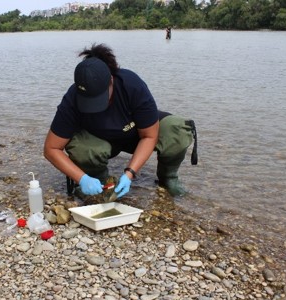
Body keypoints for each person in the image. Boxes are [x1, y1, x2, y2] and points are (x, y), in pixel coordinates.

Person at [43, 43, 196, 198]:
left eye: (99, 98)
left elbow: (149, 136)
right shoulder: (72, 98)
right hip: (99, 140)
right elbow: (51, 148)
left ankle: (168, 178)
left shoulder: (131, 85)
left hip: (135, 133)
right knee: (83, 148)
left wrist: (130, 173)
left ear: (111, 80)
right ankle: (99, 182)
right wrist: (81, 178)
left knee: (178, 131)